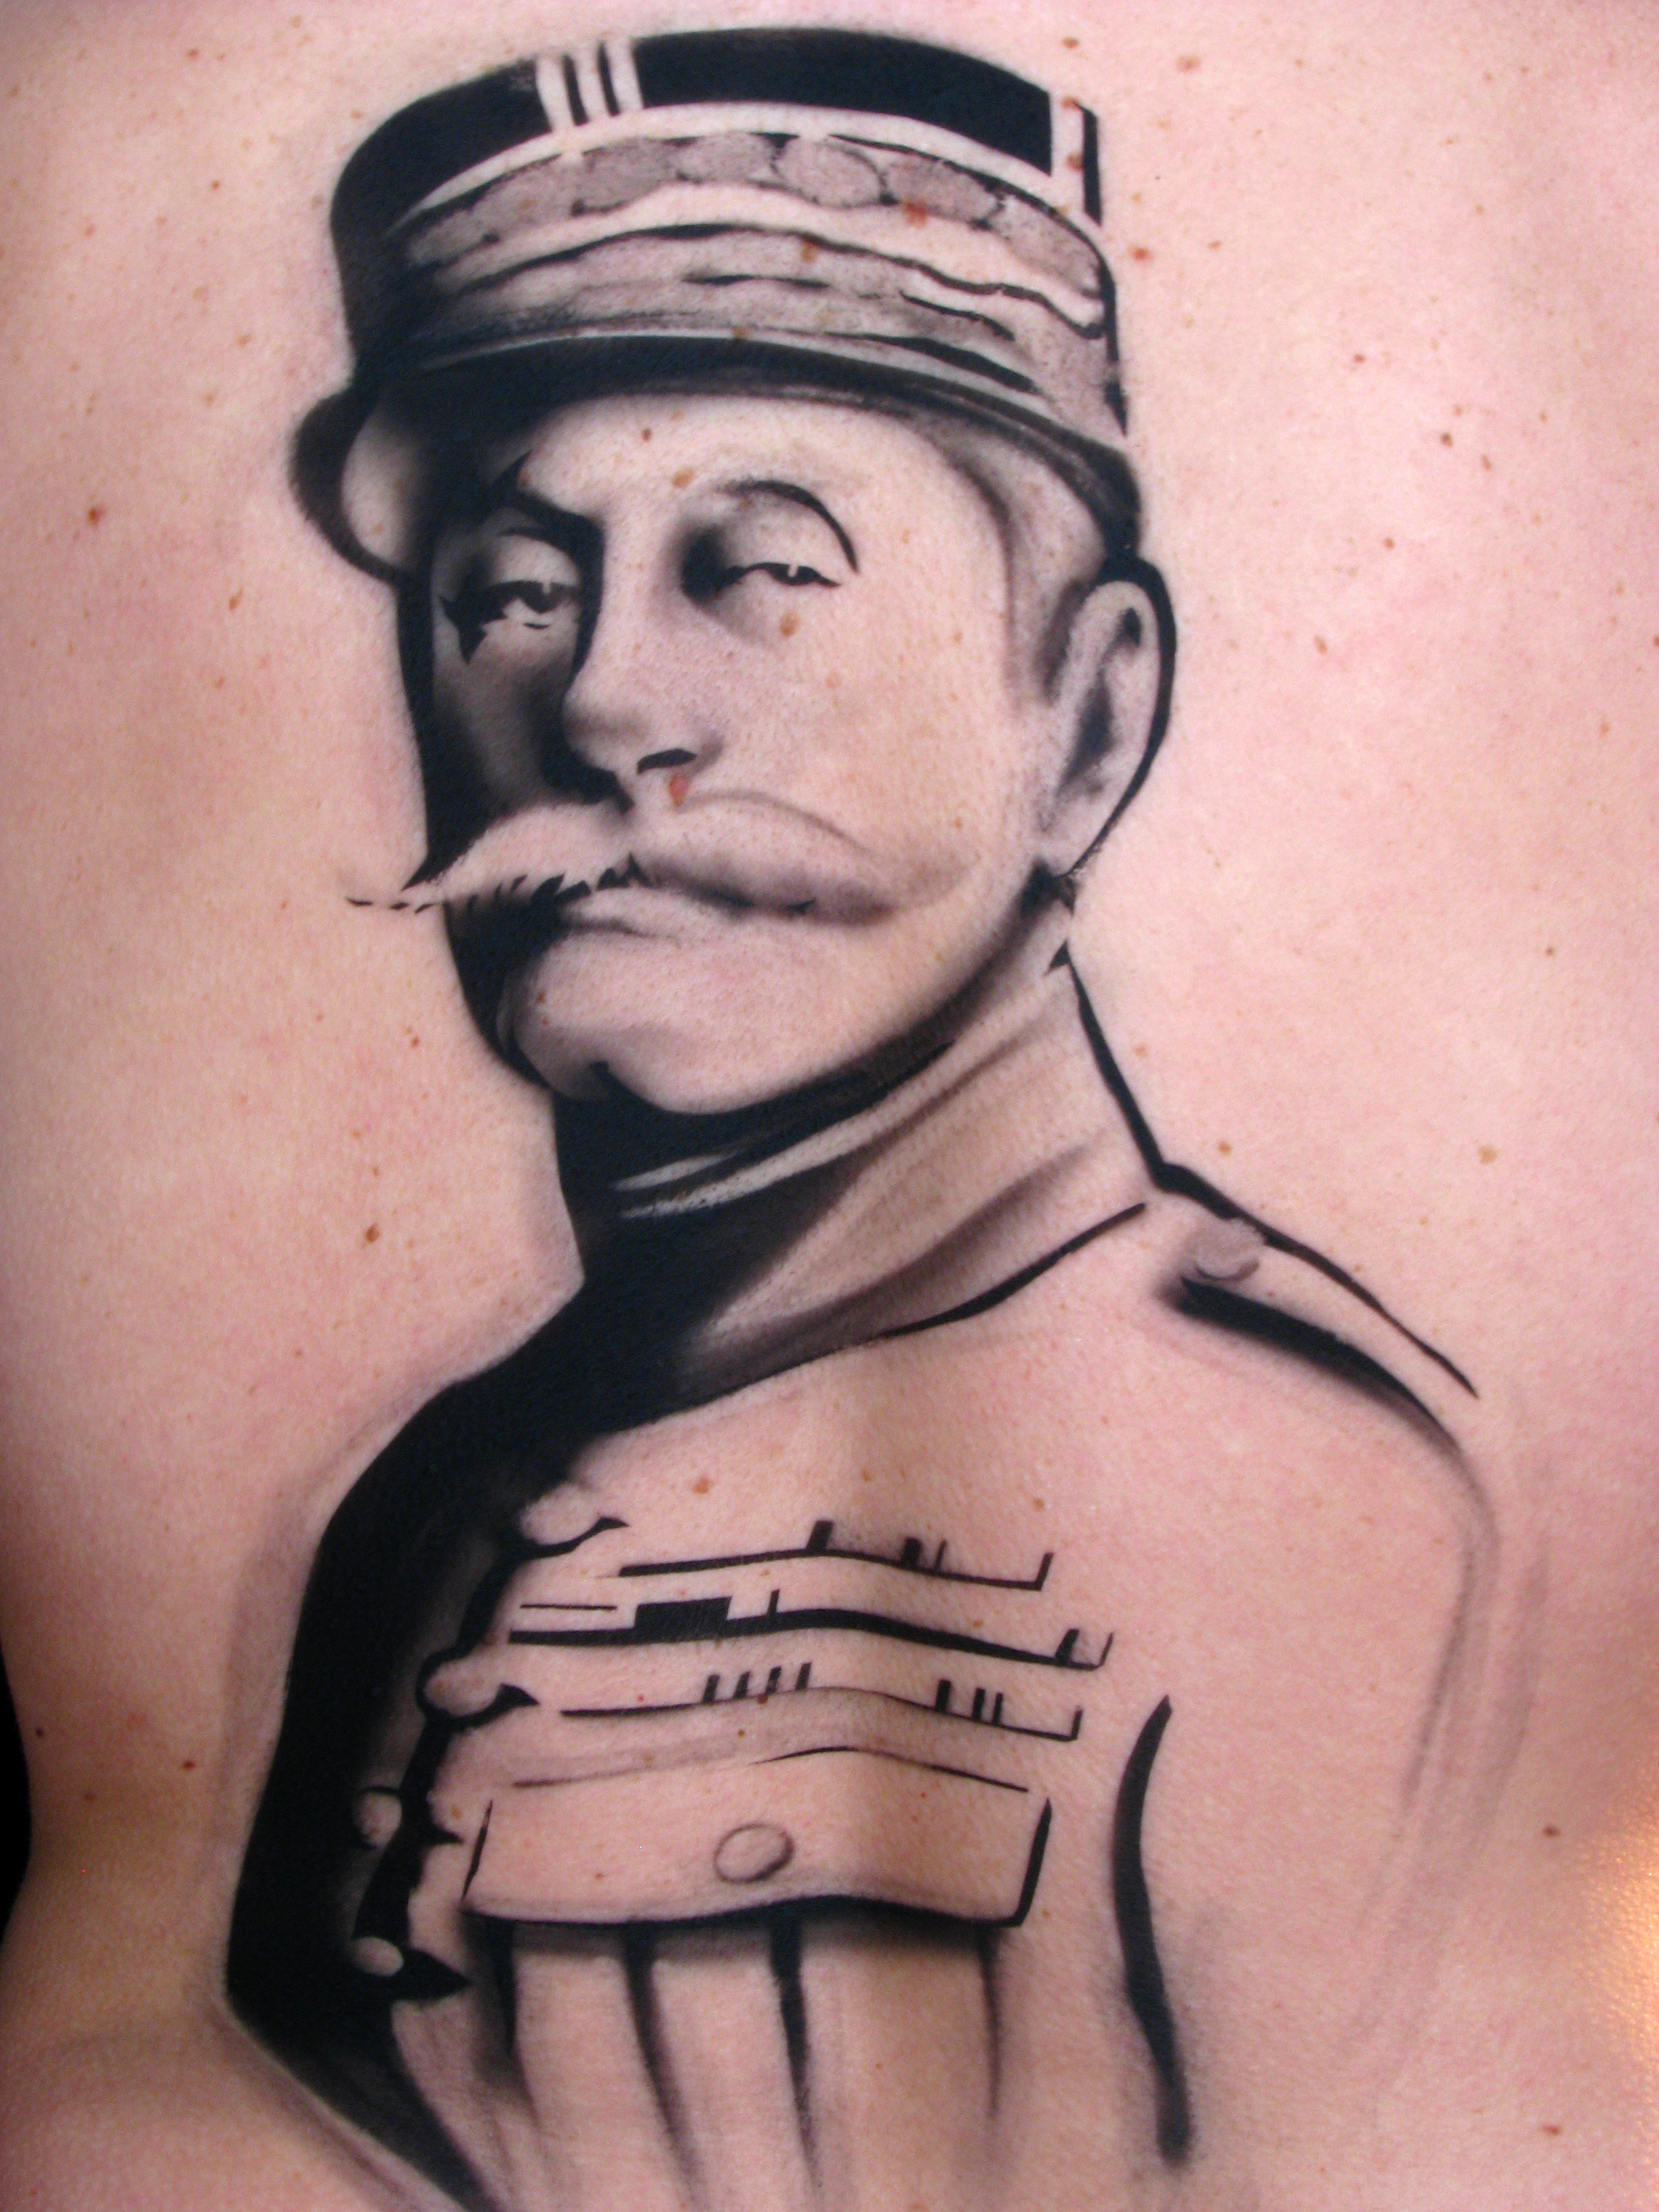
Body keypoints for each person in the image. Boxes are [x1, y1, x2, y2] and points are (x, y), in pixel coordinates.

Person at [226, 36, 1532, 2211]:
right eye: (512, 593)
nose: (601, 701)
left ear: (1088, 718)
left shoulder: (1323, 1494)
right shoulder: (422, 1515)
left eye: (760, 568)